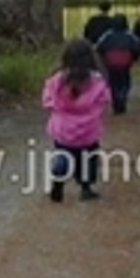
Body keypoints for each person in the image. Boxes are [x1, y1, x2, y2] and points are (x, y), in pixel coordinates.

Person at [42, 39, 111, 202]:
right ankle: (86, 187)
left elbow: (47, 100)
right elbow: (104, 100)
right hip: (88, 129)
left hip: (63, 128)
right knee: (88, 158)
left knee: (64, 154)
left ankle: (59, 176)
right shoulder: (96, 81)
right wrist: (93, 113)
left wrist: (57, 110)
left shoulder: (57, 80)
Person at [95, 14, 140, 114]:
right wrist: (134, 58)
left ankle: (116, 99)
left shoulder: (107, 35)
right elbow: (137, 46)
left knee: (113, 83)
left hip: (111, 63)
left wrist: (104, 57)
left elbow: (98, 47)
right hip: (125, 63)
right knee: (125, 82)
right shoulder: (129, 35)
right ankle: (122, 98)